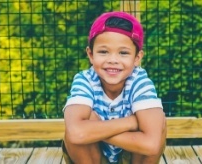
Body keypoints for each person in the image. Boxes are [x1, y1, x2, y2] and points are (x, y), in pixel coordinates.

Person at [62, 11, 166, 164]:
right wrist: (130, 122)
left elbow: (151, 145)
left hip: (131, 156)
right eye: (103, 52)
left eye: (123, 53)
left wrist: (93, 130)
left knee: (158, 121)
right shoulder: (84, 80)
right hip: (95, 156)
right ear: (90, 55)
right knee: (83, 119)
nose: (113, 60)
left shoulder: (140, 83)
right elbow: (76, 134)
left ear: (137, 58)